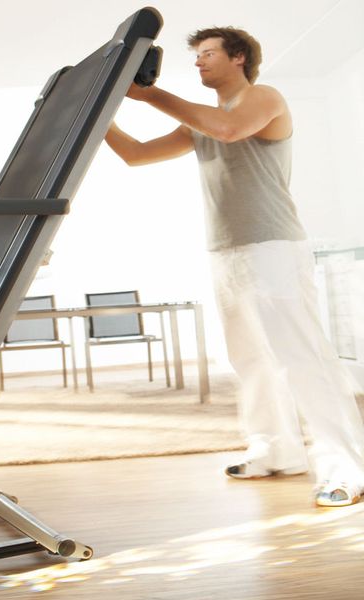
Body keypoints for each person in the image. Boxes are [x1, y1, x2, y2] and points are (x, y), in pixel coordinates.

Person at [105, 26, 364, 507]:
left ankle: (347, 466)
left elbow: (228, 129)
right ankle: (275, 451)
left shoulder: (263, 98)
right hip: (225, 251)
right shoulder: (200, 122)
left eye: (207, 53)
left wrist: (149, 95)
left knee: (302, 358)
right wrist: (100, 113)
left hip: (273, 246)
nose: (198, 62)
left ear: (239, 57)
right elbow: (136, 155)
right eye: (196, 56)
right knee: (251, 360)